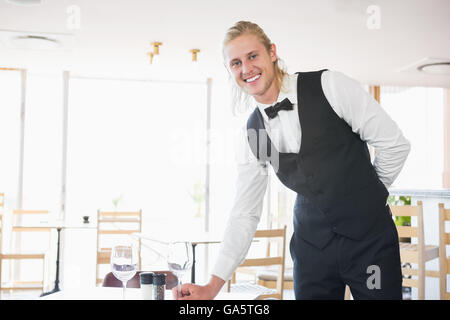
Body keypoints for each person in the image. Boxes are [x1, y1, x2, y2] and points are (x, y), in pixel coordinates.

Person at [174, 21, 410, 300]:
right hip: (312, 252)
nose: (246, 68)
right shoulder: (252, 135)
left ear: (272, 52)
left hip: (369, 244)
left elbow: (395, 145)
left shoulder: (330, 86)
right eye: (236, 63)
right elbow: (245, 214)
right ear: (230, 71)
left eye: (252, 56)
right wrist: (212, 286)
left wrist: (367, 197)